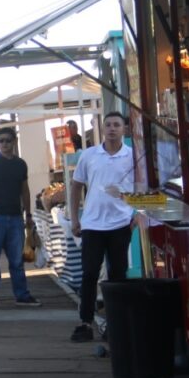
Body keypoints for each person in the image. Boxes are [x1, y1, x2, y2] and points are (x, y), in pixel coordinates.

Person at [69, 111, 138, 342]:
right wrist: (75, 219)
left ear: (124, 129)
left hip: (120, 223)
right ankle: (85, 322)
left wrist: (137, 217)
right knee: (89, 273)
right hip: (92, 224)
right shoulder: (89, 155)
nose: (112, 129)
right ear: (103, 128)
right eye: (108, 125)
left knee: (118, 274)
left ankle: (116, 323)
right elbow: (76, 186)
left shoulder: (132, 156)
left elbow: (144, 187)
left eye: (116, 125)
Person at [0, 126, 42, 310]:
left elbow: (25, 190)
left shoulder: (20, 164)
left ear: (14, 141)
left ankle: (21, 295)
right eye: (1, 141)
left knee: (17, 260)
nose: (4, 144)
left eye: (7, 140)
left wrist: (28, 214)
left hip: (15, 217)